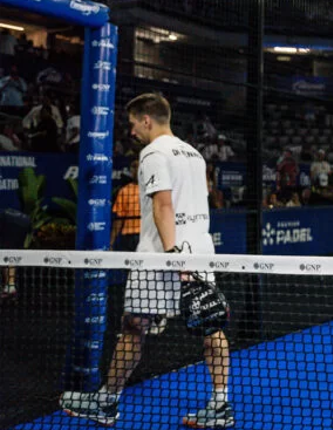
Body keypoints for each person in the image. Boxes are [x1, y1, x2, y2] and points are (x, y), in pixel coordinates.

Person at [60, 93, 233, 428]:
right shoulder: (195, 154)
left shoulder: (153, 153)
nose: (132, 131)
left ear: (147, 120)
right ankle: (221, 405)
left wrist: (172, 257)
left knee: (132, 327)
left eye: (133, 123)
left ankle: (106, 403)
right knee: (211, 326)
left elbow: (163, 205)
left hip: (161, 258)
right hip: (198, 252)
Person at [111, 158, 140, 252]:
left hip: (146, 235)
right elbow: (119, 219)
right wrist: (111, 242)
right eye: (133, 167)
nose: (136, 170)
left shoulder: (153, 189)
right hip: (128, 236)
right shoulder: (124, 191)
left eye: (138, 167)